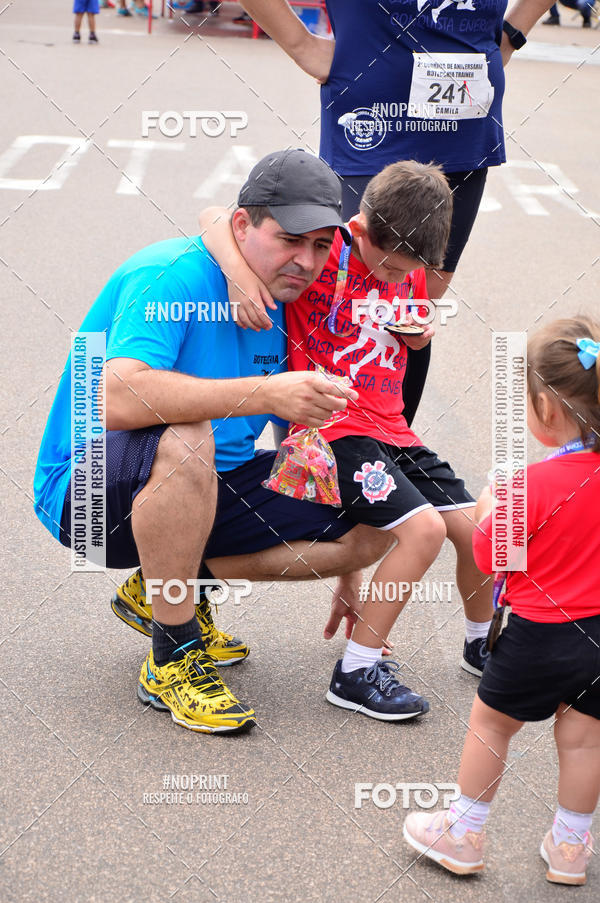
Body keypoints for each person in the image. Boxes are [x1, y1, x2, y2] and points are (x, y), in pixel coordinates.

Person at [33, 149, 391, 736]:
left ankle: (163, 584)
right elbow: (117, 399)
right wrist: (266, 393)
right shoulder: (171, 274)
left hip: (200, 485)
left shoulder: (287, 290)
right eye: (290, 239)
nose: (305, 260)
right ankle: (171, 654)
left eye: (320, 245)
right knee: (189, 439)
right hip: (90, 492)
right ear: (245, 225)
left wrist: (349, 570)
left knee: (371, 514)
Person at [196, 159, 495, 721]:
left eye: (406, 270)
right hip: (335, 428)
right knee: (422, 529)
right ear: (357, 230)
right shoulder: (326, 249)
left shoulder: (407, 269)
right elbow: (215, 217)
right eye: (387, 266)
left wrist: (416, 330)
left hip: (393, 430)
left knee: (476, 528)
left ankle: (481, 644)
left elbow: (404, 313)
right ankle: (355, 671)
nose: (392, 278)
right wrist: (239, 275)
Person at [237, 0, 554, 427]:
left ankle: (390, 451)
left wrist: (511, 35)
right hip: (372, 110)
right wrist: (300, 44)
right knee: (337, 288)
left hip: (462, 110)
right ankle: (310, 462)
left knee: (411, 301)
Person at [403, 316, 600, 884]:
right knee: (585, 741)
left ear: (548, 410)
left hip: (538, 634)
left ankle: (463, 833)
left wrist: (492, 502)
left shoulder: (529, 484)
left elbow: (492, 559)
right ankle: (569, 849)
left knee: (491, 726)